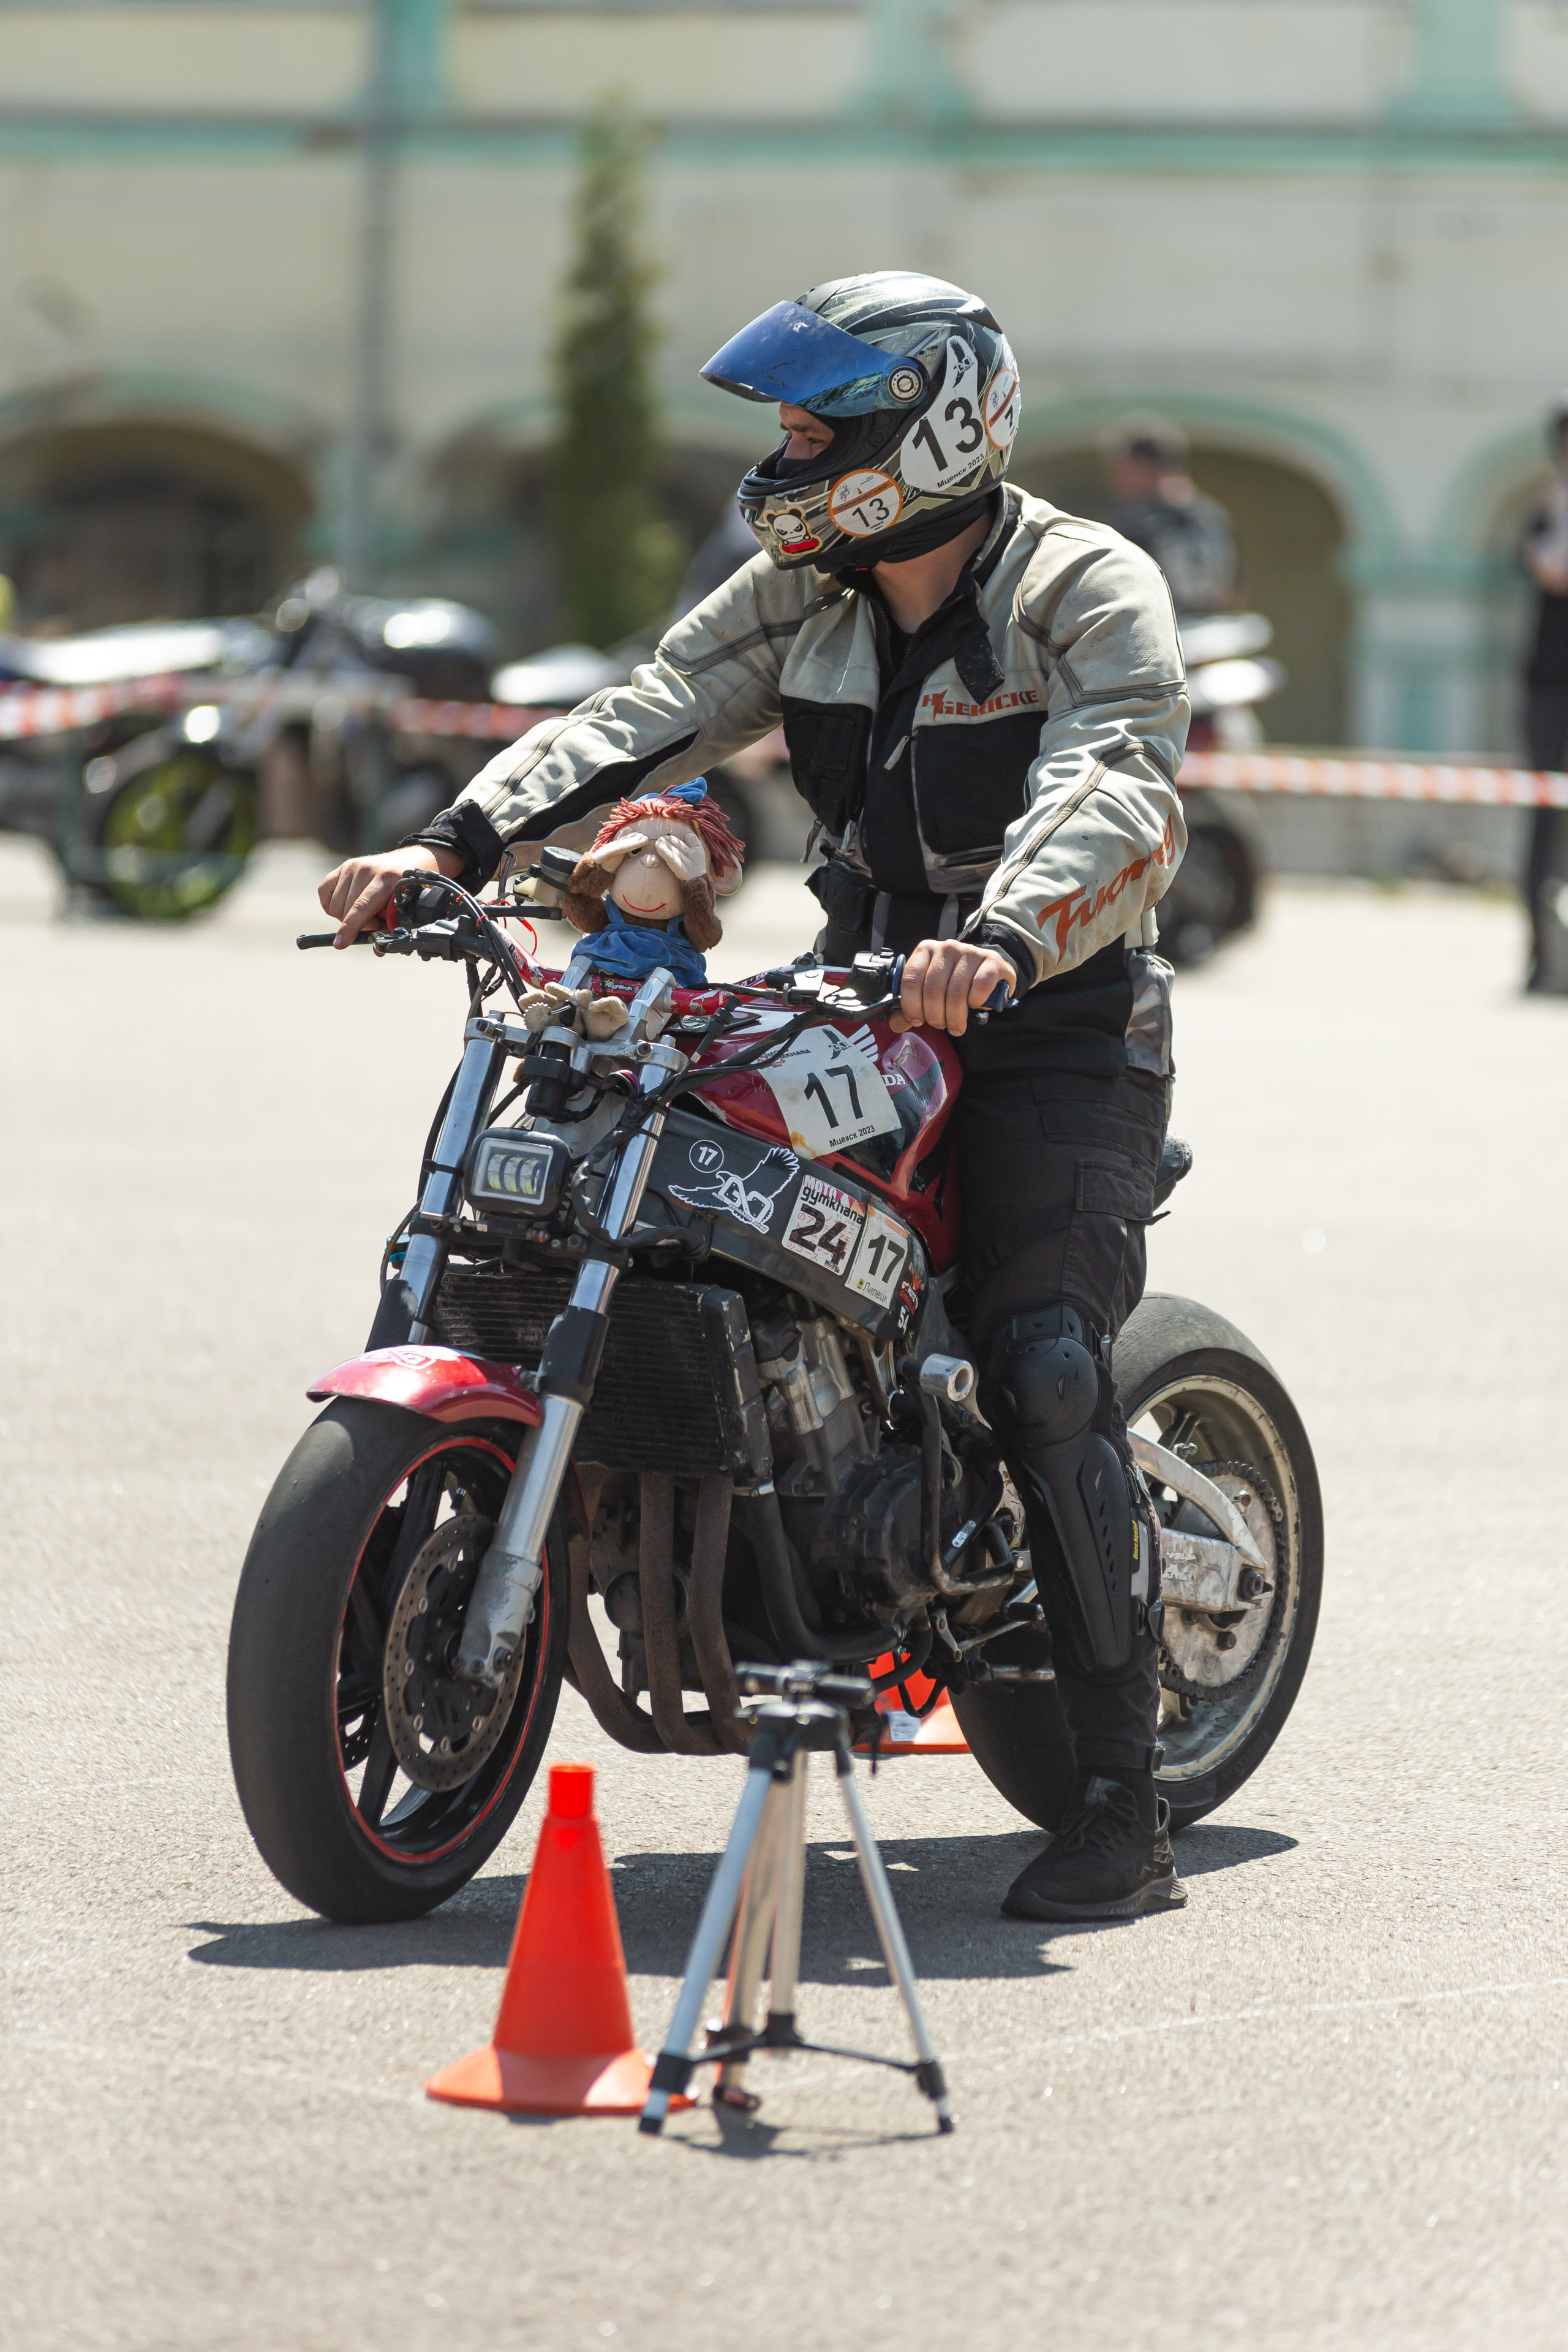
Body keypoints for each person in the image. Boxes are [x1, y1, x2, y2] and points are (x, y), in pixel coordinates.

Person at [320, 271, 1191, 1923]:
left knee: (1045, 1363)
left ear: (929, 426)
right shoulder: (806, 591)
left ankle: (1118, 1802)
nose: (786, 455)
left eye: (814, 424)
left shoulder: (1082, 582)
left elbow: (1119, 776)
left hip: (1045, 1021)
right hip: (854, 988)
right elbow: (647, 712)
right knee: (622, 1205)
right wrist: (449, 848)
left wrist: (1004, 931)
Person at [1521, 398, 1568, 993]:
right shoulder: (1542, 513)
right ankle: (1541, 960)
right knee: (1541, 826)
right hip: (1548, 685)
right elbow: (1552, 571)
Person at [1104, 415, 1237, 618]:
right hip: (1218, 632)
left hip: (1163, 632)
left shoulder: (1135, 519)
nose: (1116, 479)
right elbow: (1234, 591)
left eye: (1122, 469)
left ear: (1139, 465)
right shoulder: (1213, 513)